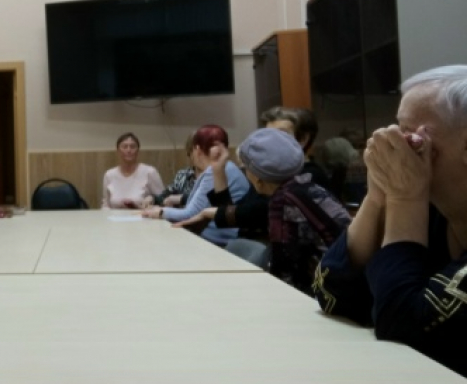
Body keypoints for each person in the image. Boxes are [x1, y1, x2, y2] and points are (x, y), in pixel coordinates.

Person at [314, 65, 467, 377]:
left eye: (414, 137)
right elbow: (331, 292)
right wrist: (378, 196)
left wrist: (405, 199)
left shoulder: (415, 202)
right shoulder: (432, 210)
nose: (397, 146)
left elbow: (404, 330)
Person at [179, 129, 351, 293]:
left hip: (330, 286)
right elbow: (234, 212)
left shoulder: (282, 201)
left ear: (258, 178)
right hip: (341, 275)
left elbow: (284, 271)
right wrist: (218, 171)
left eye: (245, 167)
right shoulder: (304, 184)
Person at [141, 125, 249, 246]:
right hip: (225, 240)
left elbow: (190, 214)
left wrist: (161, 211)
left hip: (219, 243)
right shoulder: (225, 167)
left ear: (197, 149)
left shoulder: (216, 171)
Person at [260, 106, 332, 190]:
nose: (271, 140)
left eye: (281, 134)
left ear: (303, 139)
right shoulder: (272, 172)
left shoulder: (310, 177)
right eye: (268, 134)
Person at [102, 132, 165, 209]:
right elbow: (106, 205)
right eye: (125, 147)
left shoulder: (150, 172)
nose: (129, 150)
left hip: (144, 215)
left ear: (138, 151)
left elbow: (162, 200)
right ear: (118, 151)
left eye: (132, 147)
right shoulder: (109, 175)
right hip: (115, 215)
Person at [154, 134, 199, 207]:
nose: (199, 154)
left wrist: (181, 199)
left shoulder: (214, 176)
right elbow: (166, 194)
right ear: (189, 153)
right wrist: (152, 198)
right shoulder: (183, 174)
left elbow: (206, 201)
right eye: (194, 149)